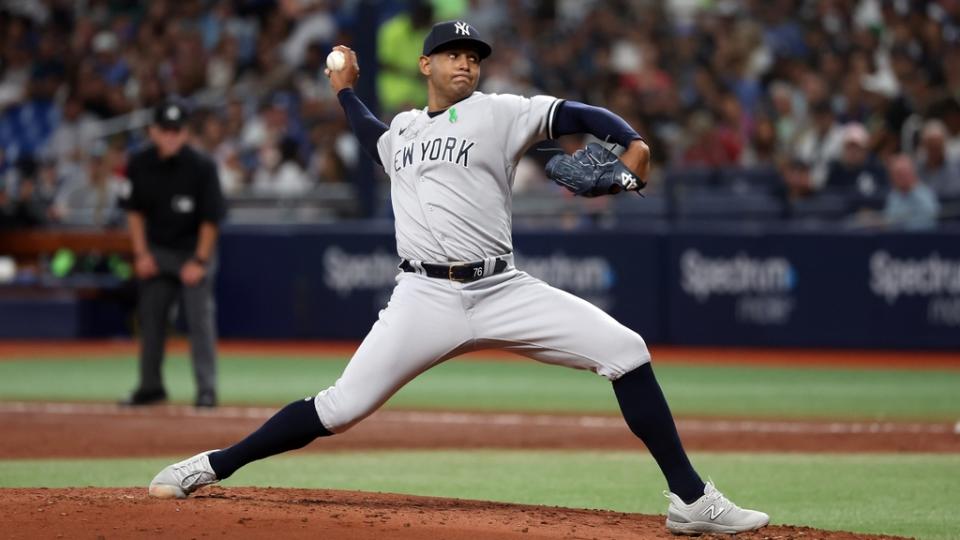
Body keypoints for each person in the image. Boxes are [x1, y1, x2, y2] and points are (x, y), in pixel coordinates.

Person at [147, 22, 769, 535]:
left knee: (627, 352)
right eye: (452, 54)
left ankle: (690, 500)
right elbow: (373, 139)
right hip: (424, 295)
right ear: (425, 65)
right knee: (340, 408)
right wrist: (344, 89)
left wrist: (632, 144)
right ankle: (213, 465)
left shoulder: (500, 113)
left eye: (473, 56)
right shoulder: (407, 132)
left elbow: (582, 113)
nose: (465, 64)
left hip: (503, 289)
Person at [118, 98, 226, 408]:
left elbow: (211, 219)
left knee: (199, 320)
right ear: (153, 131)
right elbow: (134, 213)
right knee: (151, 319)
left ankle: (207, 390)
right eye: (165, 130)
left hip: (194, 250)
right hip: (159, 251)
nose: (171, 136)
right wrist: (141, 255)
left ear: (185, 132)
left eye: (177, 130)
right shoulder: (139, 164)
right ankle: (150, 387)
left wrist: (200, 261)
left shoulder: (202, 167)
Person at [883, 154, 939, 230]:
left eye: (901, 174)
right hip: (897, 239)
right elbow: (889, 220)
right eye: (895, 175)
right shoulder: (894, 195)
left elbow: (929, 220)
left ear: (912, 173)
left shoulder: (924, 194)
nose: (898, 178)